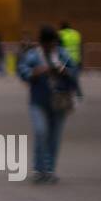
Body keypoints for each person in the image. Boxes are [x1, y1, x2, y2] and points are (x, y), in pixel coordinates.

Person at [17, 24, 80, 184]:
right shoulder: (33, 56)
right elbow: (22, 70)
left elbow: (75, 72)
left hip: (59, 101)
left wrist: (65, 71)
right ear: (41, 43)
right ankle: (39, 169)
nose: (50, 47)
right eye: (47, 44)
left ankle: (50, 169)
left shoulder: (62, 54)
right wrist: (34, 72)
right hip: (38, 101)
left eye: (53, 44)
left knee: (55, 136)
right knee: (40, 131)